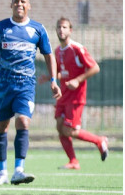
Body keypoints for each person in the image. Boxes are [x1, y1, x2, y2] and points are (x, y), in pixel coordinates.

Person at [0, 0, 61, 186]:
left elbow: (49, 55)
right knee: (2, 127)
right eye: (16, 1)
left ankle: (19, 170)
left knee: (23, 121)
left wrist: (53, 80)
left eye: (23, 1)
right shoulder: (1, 27)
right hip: (3, 84)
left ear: (29, 6)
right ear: (11, 5)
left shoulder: (37, 30)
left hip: (25, 84)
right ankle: (2, 172)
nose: (20, 4)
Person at [40, 17, 107, 169]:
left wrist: (77, 80)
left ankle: (99, 140)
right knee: (59, 126)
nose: (61, 30)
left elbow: (95, 67)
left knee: (70, 131)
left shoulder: (77, 48)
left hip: (76, 96)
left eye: (64, 27)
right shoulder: (57, 51)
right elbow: (61, 73)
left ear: (70, 30)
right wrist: (49, 77)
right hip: (63, 95)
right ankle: (73, 161)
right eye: (59, 27)